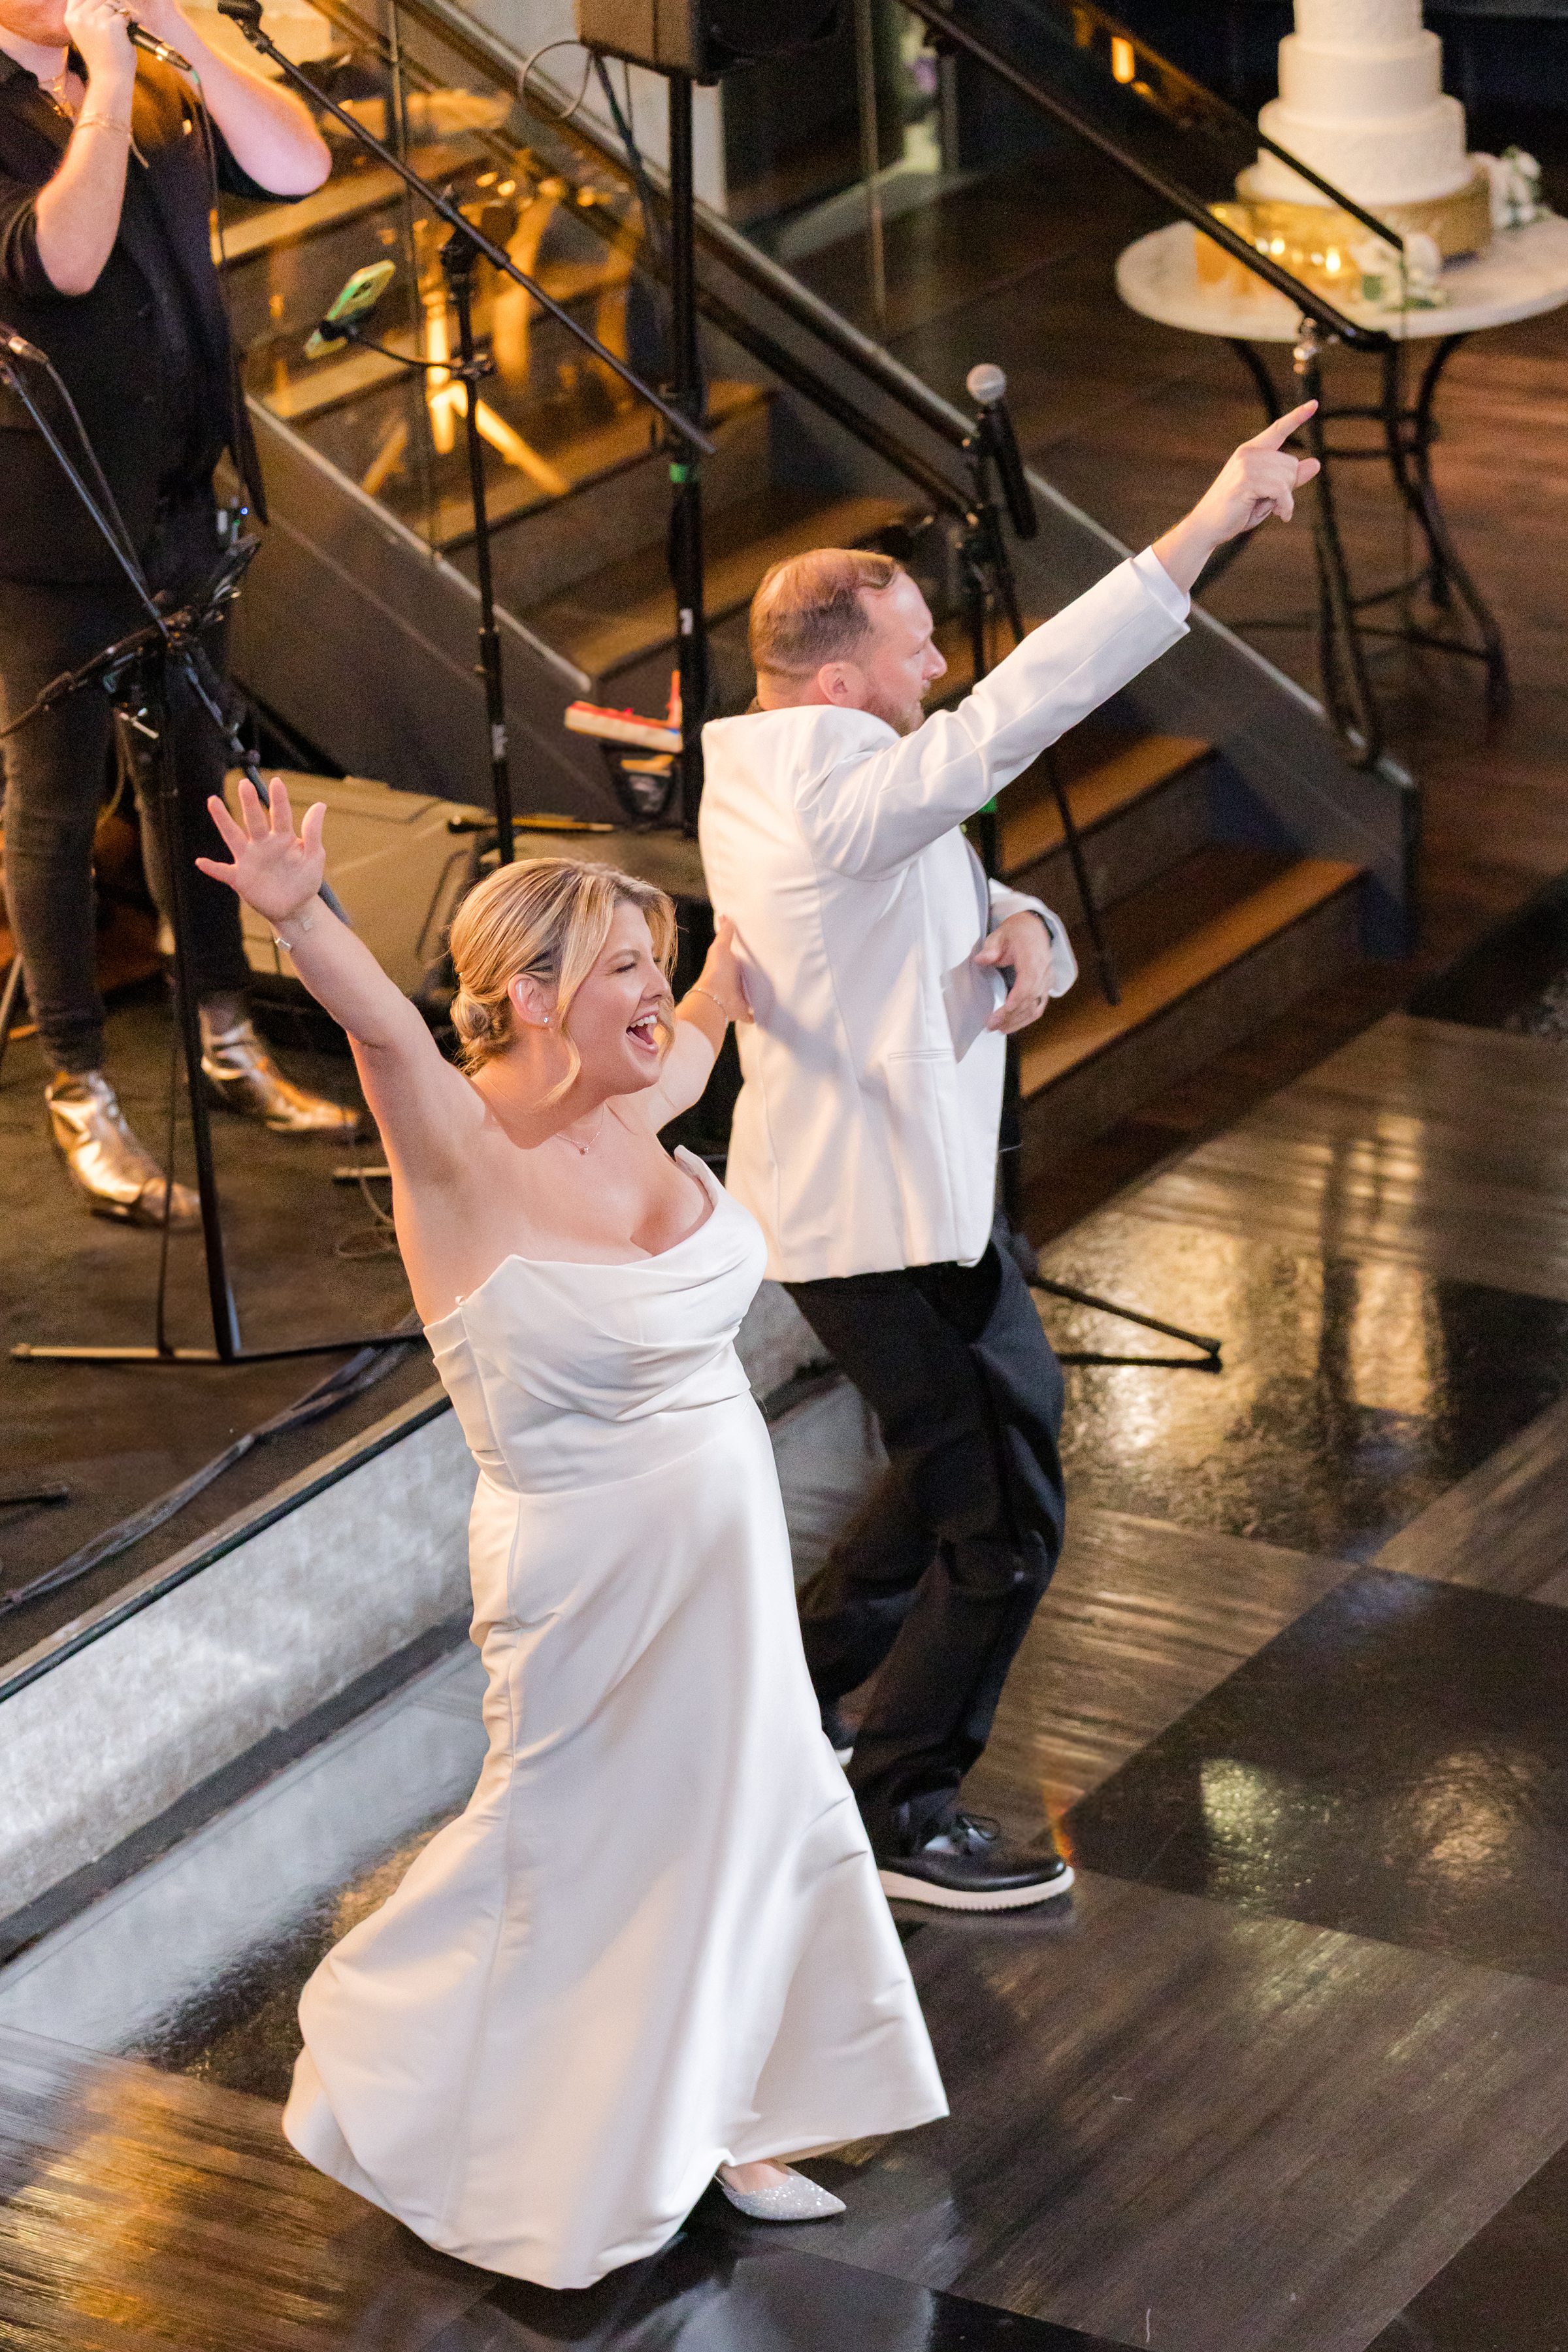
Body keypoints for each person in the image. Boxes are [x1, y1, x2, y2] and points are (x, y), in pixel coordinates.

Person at [195, 780, 947, 2288]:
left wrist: (735, 958)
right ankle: (455, 2106)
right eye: (622, 969)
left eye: (652, 963)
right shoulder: (462, 1154)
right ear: (533, 998)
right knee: (585, 1839)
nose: (653, 993)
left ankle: (736, 2116)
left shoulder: (639, 1106)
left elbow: (714, 1011)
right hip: (586, 1576)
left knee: (749, 1818)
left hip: (724, 1554)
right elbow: (386, 1035)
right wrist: (299, 913)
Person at [698, 403, 1321, 1912]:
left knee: (957, 1473)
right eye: (916, 651)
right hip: (878, 1225)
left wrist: (1027, 930)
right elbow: (1022, 710)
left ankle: (786, 1704)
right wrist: (1207, 526)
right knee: (1007, 1522)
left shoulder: (813, 777)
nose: (939, 671)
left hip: (910, 1209)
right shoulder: (830, 790)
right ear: (839, 682)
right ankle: (902, 1809)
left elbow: (944, 888)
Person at [0, 0, 358, 1231]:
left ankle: (225, 1035)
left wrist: (183, 34)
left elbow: (299, 166)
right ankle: (80, 1087)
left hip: (179, 502)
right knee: (53, 810)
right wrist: (105, 77)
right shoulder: (74, 94)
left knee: (198, 779)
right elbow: (62, 261)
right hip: (48, 529)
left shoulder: (150, 79)